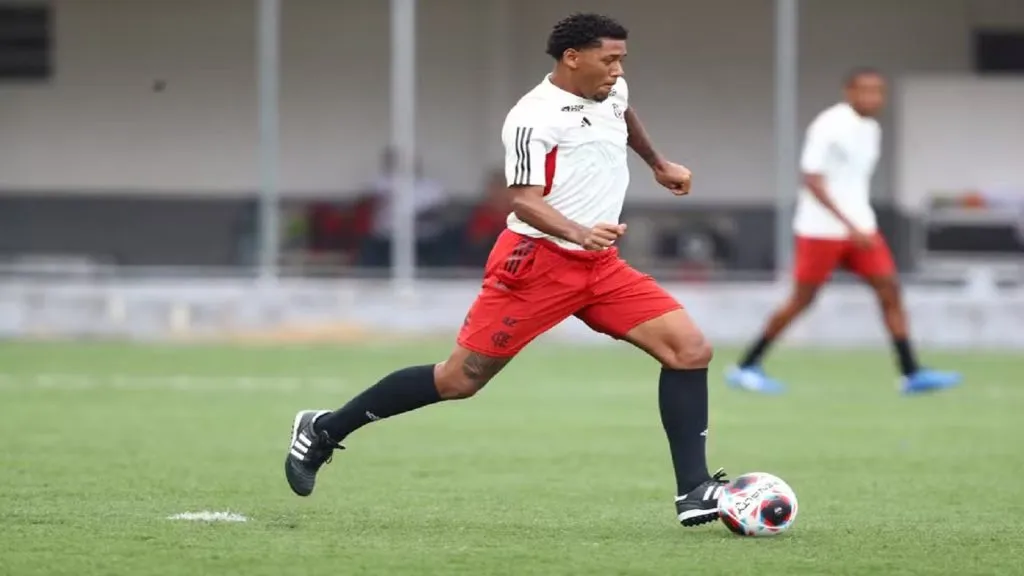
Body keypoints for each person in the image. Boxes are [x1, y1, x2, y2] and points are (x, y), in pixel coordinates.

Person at [285, 13, 730, 528]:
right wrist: (578, 231)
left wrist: (657, 163)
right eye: (608, 60)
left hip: (600, 266)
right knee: (459, 380)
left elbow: (624, 115)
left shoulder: (612, 90)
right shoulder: (533, 117)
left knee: (689, 350)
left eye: (621, 60)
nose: (617, 70)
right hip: (536, 263)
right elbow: (522, 200)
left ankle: (693, 491)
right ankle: (323, 428)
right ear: (572, 58)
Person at [726, 68, 962, 395]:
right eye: (864, 91)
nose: (872, 98)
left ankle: (911, 373)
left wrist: (857, 223)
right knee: (801, 300)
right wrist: (848, 224)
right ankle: (746, 366)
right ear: (848, 92)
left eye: (878, 91)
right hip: (821, 230)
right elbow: (812, 180)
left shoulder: (871, 129)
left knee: (890, 291)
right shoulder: (828, 126)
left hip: (861, 227)